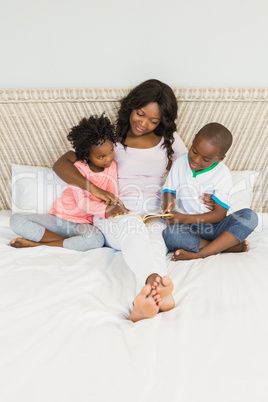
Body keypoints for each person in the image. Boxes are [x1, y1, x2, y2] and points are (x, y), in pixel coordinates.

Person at [53, 79, 213, 322]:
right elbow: (60, 164)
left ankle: (153, 298)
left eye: (154, 120)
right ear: (131, 106)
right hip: (113, 212)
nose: (143, 123)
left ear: (163, 121)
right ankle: (153, 286)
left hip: (152, 212)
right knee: (133, 226)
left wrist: (183, 194)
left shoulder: (169, 140)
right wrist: (95, 189)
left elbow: (191, 170)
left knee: (154, 240)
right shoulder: (109, 137)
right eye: (140, 114)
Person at [9, 115, 129, 251]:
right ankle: (68, 243)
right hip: (58, 219)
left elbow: (112, 195)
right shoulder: (78, 169)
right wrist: (105, 209)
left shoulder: (112, 166)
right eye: (101, 156)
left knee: (96, 240)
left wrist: (116, 207)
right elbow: (82, 203)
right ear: (86, 155)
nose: (108, 158)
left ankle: (40, 244)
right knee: (17, 220)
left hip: (83, 225)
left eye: (111, 151)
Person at [161, 122, 258, 261]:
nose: (195, 159)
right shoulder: (180, 162)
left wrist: (183, 218)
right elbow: (168, 190)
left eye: (205, 159)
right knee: (170, 235)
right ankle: (224, 247)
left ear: (220, 159)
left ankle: (201, 253)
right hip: (188, 228)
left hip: (216, 228)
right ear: (194, 140)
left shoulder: (222, 174)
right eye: (194, 151)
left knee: (250, 216)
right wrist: (168, 202)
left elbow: (219, 215)